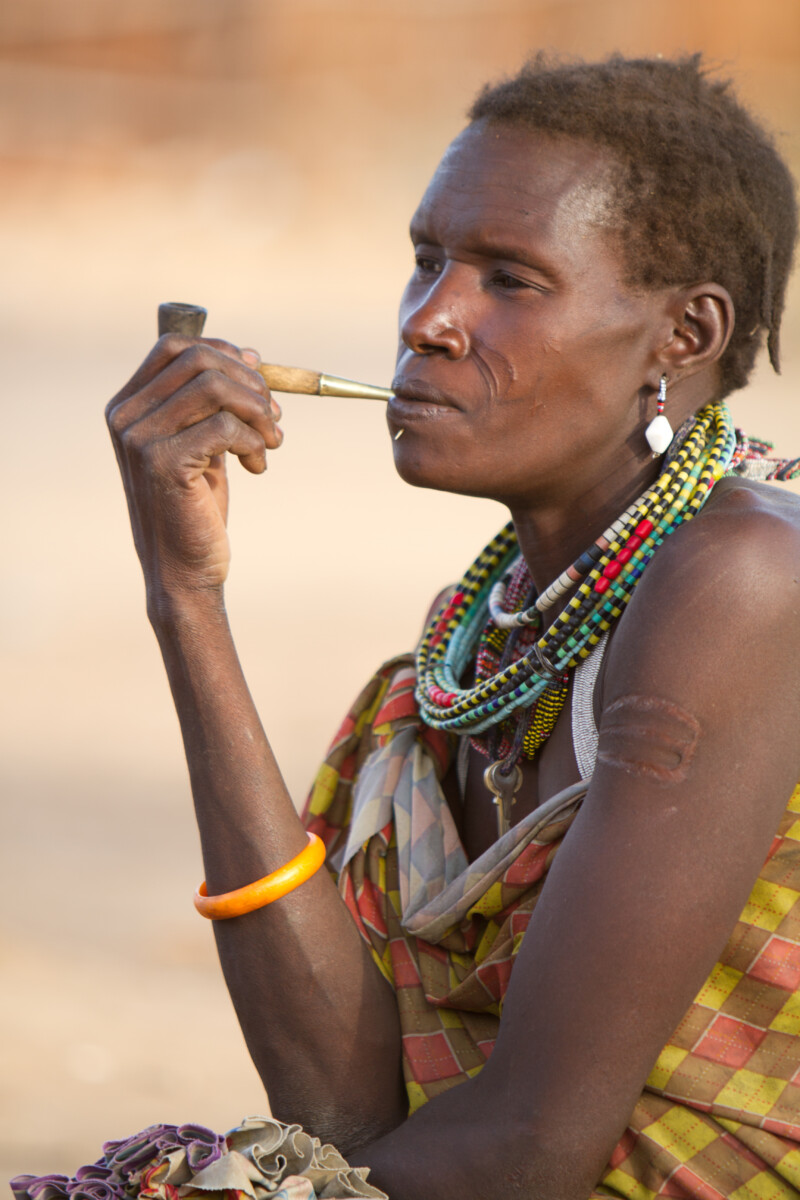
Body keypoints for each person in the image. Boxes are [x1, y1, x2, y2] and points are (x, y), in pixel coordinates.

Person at [14, 52, 800, 1200]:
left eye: (510, 280)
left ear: (680, 338)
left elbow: (534, 1147)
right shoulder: (464, 658)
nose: (429, 321)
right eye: (427, 262)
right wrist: (186, 600)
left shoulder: (744, 582)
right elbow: (342, 1110)